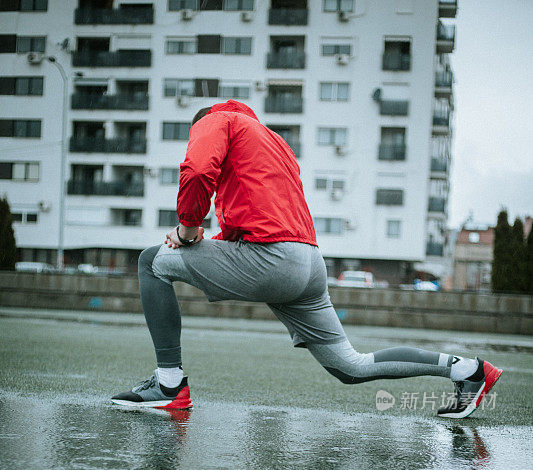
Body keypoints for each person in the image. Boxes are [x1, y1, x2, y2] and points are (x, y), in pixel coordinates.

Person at [111, 100, 502, 419]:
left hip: (273, 259)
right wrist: (207, 238)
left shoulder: (217, 121)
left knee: (152, 261)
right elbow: (252, 222)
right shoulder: (274, 143)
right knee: (351, 365)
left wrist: (187, 229)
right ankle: (466, 369)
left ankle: (168, 383)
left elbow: (197, 171)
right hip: (309, 263)